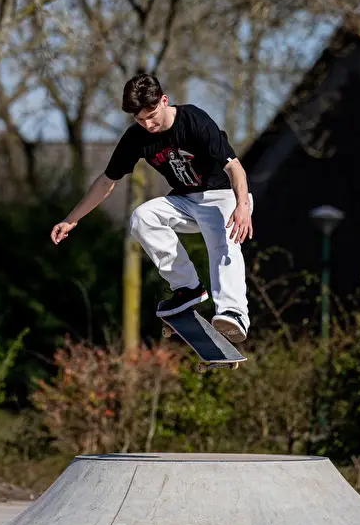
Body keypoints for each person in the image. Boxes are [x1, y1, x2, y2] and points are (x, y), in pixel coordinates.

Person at [50, 73, 254, 344]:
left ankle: (234, 313)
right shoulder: (137, 137)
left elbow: (234, 167)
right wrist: (71, 219)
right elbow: (107, 181)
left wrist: (242, 206)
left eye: (152, 115)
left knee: (222, 240)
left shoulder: (194, 120)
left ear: (164, 100)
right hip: (185, 200)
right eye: (140, 119)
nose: (148, 124)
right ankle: (187, 287)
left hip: (222, 196)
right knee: (141, 217)